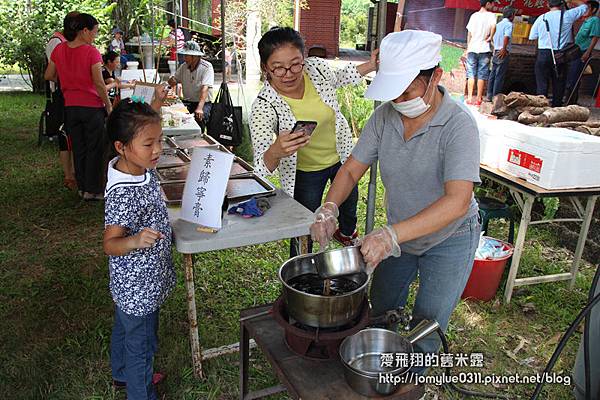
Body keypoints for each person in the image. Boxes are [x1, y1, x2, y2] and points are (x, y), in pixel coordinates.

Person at [310, 31, 481, 373]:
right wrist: (328, 208)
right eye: (394, 92)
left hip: (450, 238)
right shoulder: (384, 118)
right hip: (400, 234)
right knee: (382, 308)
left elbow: (457, 201)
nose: (400, 100)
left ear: (435, 77)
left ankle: (411, 384)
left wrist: (390, 235)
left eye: (408, 90)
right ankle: (380, 371)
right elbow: (349, 171)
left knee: (427, 322)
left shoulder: (458, 126)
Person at [250, 27, 377, 254]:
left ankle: (346, 233)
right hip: (304, 173)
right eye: (277, 68)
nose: (288, 73)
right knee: (305, 226)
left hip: (342, 159)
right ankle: (299, 271)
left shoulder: (316, 69)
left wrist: (372, 64)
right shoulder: (264, 105)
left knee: (348, 209)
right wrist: (276, 151)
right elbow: (261, 166)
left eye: (295, 64)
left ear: (304, 58)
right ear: (265, 68)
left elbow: (343, 75)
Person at [103, 99, 175, 400]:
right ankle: (140, 392)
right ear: (121, 146)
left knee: (126, 328)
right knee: (141, 347)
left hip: (136, 284)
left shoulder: (136, 166)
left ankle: (121, 372)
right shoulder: (123, 194)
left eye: (159, 140)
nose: (157, 149)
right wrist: (134, 240)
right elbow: (110, 244)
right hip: (138, 286)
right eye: (149, 144)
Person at [45, 13, 112, 201]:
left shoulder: (59, 50)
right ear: (84, 31)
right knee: (95, 148)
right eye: (94, 32)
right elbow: (99, 83)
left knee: (79, 147)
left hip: (70, 107)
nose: (95, 36)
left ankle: (82, 188)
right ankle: (95, 190)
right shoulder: (92, 52)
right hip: (91, 107)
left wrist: (67, 78)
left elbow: (49, 75)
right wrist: (108, 106)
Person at [529, 0, 587, 107]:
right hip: (560, 55)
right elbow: (584, 7)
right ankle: (556, 108)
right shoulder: (568, 15)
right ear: (562, 5)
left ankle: (540, 108)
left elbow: (532, 36)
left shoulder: (541, 18)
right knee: (559, 84)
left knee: (542, 84)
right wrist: (572, 1)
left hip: (543, 53)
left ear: (548, 5)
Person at [45, 12, 78, 191]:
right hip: (61, 93)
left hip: (69, 92)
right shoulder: (56, 43)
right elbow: (52, 72)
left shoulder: (68, 43)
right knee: (65, 134)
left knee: (72, 133)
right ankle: (68, 175)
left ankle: (73, 171)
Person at [167, 41, 214, 131]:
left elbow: (205, 88)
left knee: (199, 121)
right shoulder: (184, 66)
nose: (185, 58)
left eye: (187, 55)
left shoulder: (207, 67)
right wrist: (170, 81)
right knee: (175, 116)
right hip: (188, 101)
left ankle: (200, 138)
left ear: (195, 56)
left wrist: (199, 108)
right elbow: (174, 80)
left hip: (202, 103)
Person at [566, 0, 600, 103]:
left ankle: (571, 101)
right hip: (575, 51)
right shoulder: (585, 21)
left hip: (583, 52)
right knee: (571, 75)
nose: (584, 10)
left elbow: (595, 37)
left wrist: (587, 52)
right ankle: (570, 99)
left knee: (574, 77)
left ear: (593, 10)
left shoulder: (594, 20)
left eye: (587, 8)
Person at [465, 0, 497, 105]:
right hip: (484, 48)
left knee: (471, 74)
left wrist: (468, 47)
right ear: (487, 3)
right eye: (492, 3)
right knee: (482, 74)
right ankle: (478, 99)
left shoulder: (474, 16)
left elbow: (469, 33)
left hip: (472, 48)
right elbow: (493, 27)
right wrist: (490, 37)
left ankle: (469, 98)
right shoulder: (492, 16)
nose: (493, 6)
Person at [487, 6, 516, 100]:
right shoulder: (509, 24)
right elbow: (506, 37)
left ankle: (489, 95)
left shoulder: (498, 24)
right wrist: (504, 48)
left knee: (493, 74)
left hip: (496, 50)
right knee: (499, 76)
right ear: (512, 15)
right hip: (502, 52)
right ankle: (495, 97)